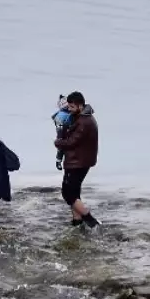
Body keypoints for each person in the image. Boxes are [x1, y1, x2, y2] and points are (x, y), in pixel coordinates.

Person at [54, 91, 100, 229]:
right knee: (74, 193)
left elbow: (71, 142)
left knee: (68, 194)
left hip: (78, 162)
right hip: (80, 160)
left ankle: (91, 220)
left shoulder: (84, 122)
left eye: (72, 107)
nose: (69, 109)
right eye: (69, 106)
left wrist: (57, 142)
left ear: (80, 105)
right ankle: (77, 222)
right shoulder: (82, 117)